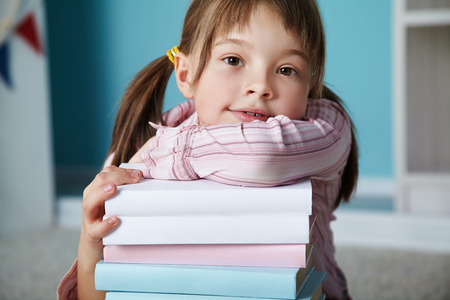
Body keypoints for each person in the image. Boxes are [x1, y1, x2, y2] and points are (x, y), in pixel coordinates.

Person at [58, 0, 358, 299]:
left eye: (286, 69)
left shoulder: (327, 128)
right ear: (186, 76)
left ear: (309, 85)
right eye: (233, 60)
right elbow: (101, 294)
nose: (260, 86)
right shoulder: (142, 139)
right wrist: (91, 244)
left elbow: (262, 156)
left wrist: (156, 154)